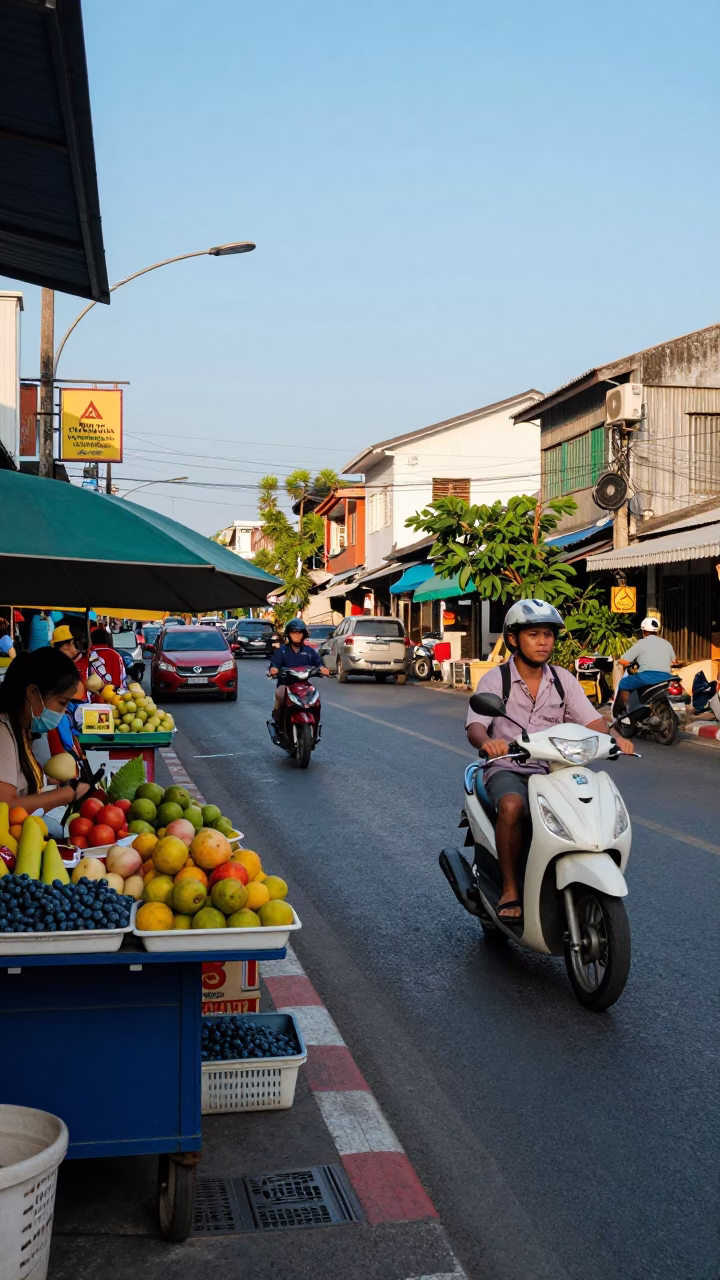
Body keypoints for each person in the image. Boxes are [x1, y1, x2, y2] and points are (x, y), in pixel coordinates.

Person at [465, 599, 633, 923]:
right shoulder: (495, 681)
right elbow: (475, 725)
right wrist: (488, 742)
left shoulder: (562, 680)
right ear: (514, 639)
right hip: (509, 767)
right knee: (513, 806)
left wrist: (614, 738)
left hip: (555, 768)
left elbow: (590, 720)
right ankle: (511, 888)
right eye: (533, 634)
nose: (543, 642)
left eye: (548, 634)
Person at [0, 649, 91, 815]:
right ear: (33, 694)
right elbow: (5, 806)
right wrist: (70, 793)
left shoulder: (22, 730)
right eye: (62, 702)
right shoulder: (3, 733)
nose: (63, 712)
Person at [269, 619, 329, 724]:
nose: (297, 635)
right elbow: (274, 664)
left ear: (304, 634)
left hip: (305, 686)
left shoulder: (309, 651)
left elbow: (319, 663)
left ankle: (316, 724)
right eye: (293, 632)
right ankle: (278, 721)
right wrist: (273, 669)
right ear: (288, 634)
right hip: (285, 685)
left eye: (299, 632)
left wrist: (324, 669)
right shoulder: (282, 651)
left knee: (316, 698)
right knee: (280, 694)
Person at [615, 617, 677, 711]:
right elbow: (674, 662)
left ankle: (623, 711)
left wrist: (623, 662)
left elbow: (624, 660)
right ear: (656, 631)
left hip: (646, 677)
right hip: (666, 678)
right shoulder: (667, 643)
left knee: (624, 682)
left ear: (644, 631)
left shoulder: (641, 643)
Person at [76, 626, 127, 691]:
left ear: (92, 640)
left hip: (94, 697)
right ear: (106, 640)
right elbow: (123, 677)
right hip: (116, 696)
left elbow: (83, 676)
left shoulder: (88, 655)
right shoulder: (117, 655)